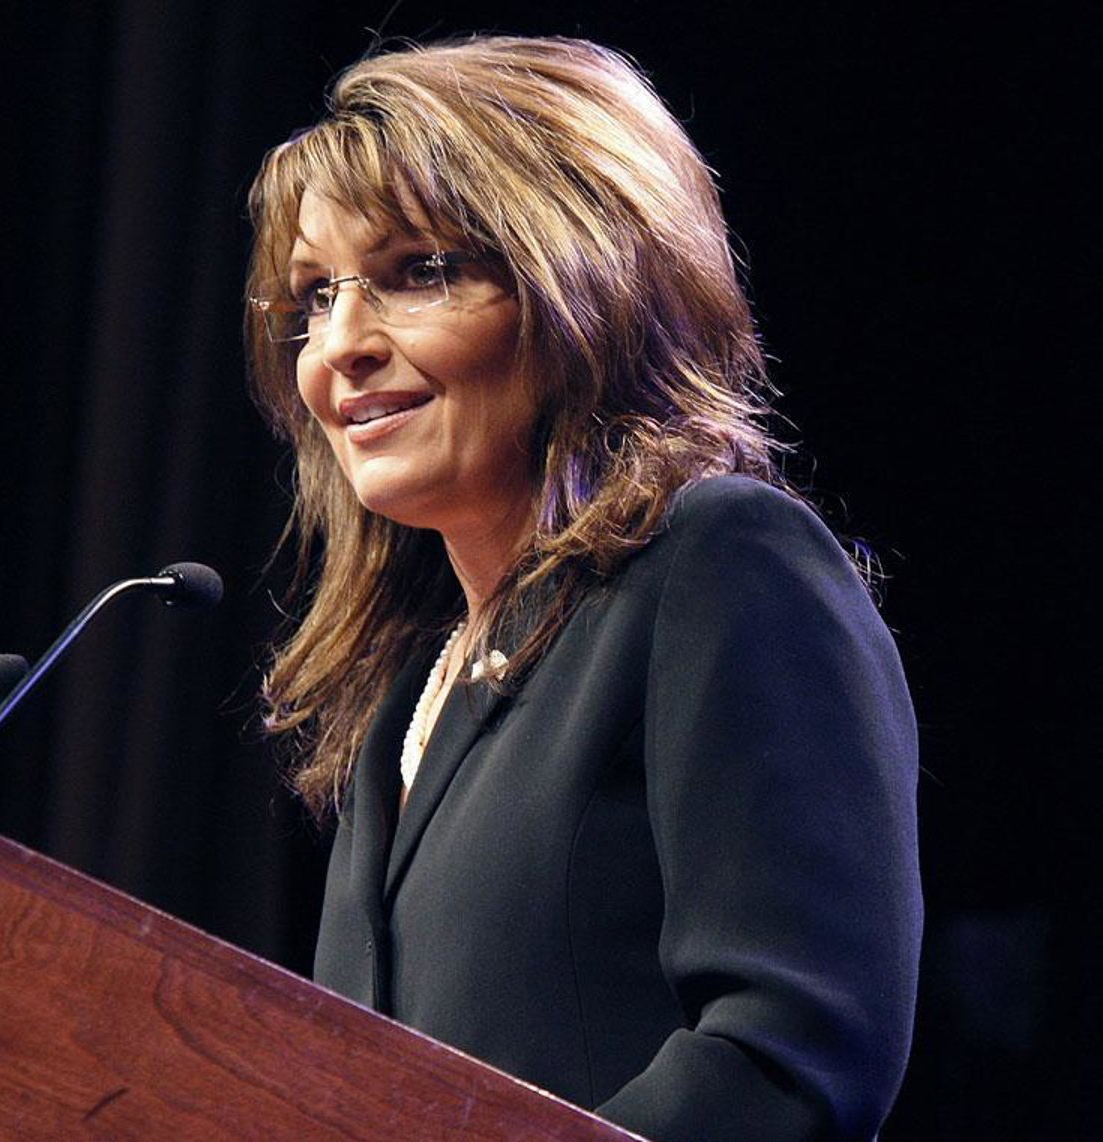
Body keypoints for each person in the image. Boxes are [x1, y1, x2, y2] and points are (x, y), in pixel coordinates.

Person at [244, 35, 922, 1142]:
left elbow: (787, 1055)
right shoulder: (404, 709)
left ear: (587, 280)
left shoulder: (720, 561)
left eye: (420, 270)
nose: (340, 347)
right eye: (315, 295)